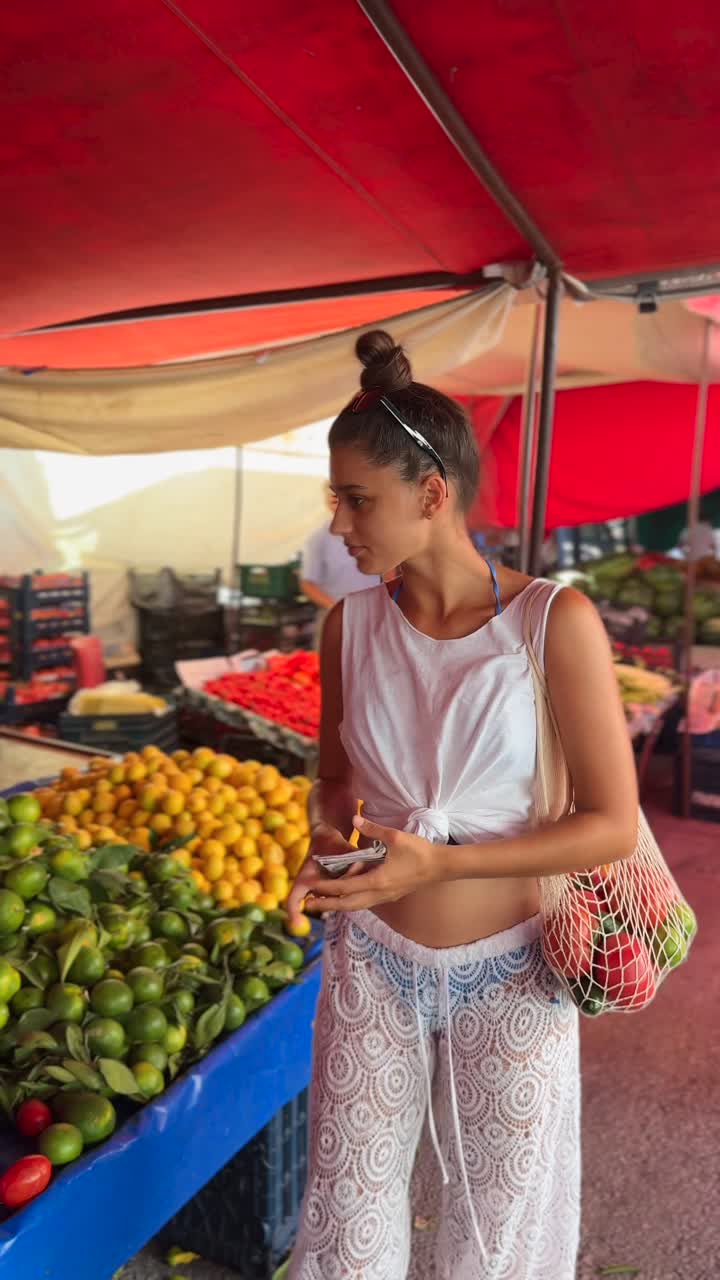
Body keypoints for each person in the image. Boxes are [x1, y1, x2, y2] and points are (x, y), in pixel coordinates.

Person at [287, 330, 638, 1280]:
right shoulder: (347, 625)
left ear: (431, 494)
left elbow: (608, 820)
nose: (341, 525)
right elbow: (334, 782)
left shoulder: (551, 623)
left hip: (513, 972)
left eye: (357, 500)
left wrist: (440, 863)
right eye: (337, 499)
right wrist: (327, 849)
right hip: (374, 964)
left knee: (496, 1234)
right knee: (348, 1215)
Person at [300, 485, 374, 644]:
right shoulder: (318, 539)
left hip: (377, 618)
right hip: (336, 619)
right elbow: (308, 583)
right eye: (334, 497)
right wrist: (337, 608)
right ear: (327, 501)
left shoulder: (380, 533)